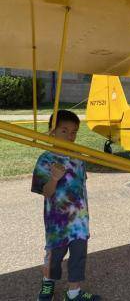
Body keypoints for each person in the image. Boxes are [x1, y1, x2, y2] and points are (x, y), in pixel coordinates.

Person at [32, 110, 100, 301]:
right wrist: (54, 178)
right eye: (64, 131)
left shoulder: (78, 157)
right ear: (52, 132)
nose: (70, 136)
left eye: (74, 132)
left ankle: (74, 292)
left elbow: (81, 183)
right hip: (57, 222)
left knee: (78, 256)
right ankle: (48, 283)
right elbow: (45, 192)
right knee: (54, 255)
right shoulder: (46, 159)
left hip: (79, 220)